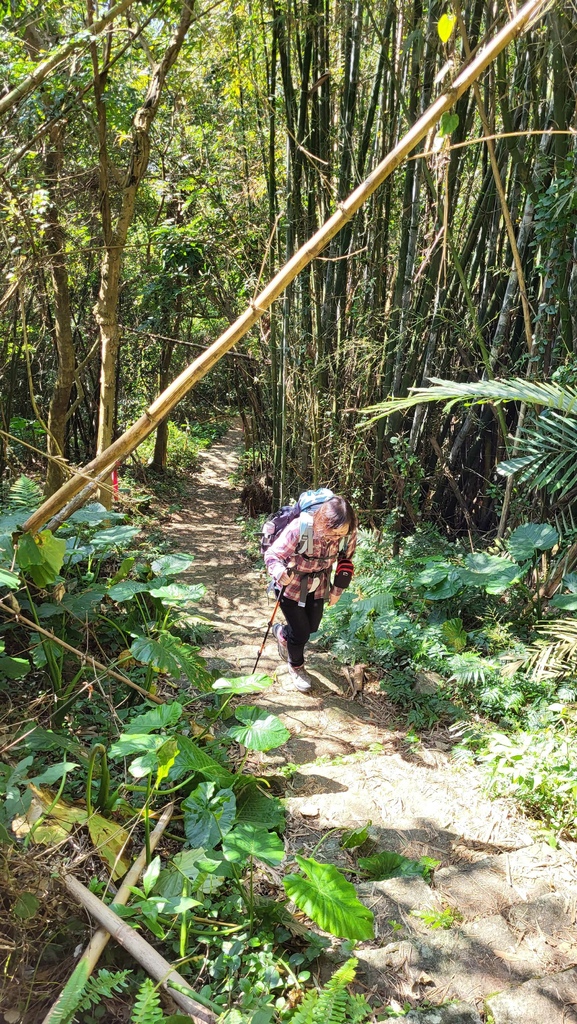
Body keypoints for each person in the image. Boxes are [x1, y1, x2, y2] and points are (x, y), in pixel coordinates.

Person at [264, 495, 357, 691]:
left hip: (320, 585)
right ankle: (296, 667)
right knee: (301, 633)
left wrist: (337, 589)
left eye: (343, 532)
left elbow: (346, 561)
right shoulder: (301, 528)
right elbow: (272, 554)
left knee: (312, 628)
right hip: (291, 586)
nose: (338, 537)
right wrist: (279, 572)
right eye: (334, 532)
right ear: (323, 521)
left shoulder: (347, 533)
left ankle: (282, 633)